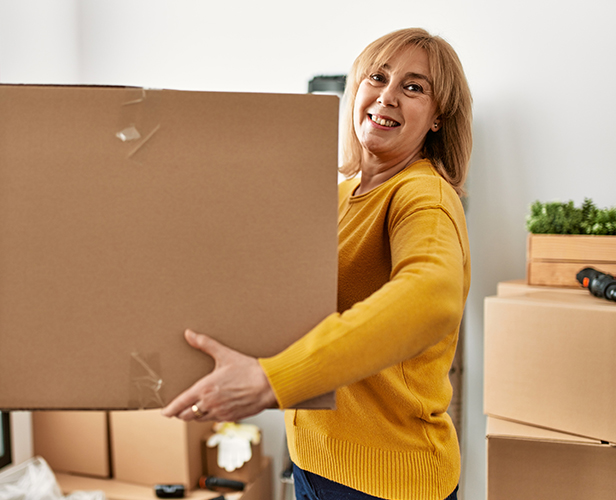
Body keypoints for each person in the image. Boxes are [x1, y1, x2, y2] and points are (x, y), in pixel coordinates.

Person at [161, 27, 472, 500]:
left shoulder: (423, 195)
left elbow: (432, 297)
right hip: (313, 461)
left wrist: (273, 380)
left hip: (388, 482)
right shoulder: (339, 196)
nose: (387, 97)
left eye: (413, 87)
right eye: (378, 77)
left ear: (437, 117)